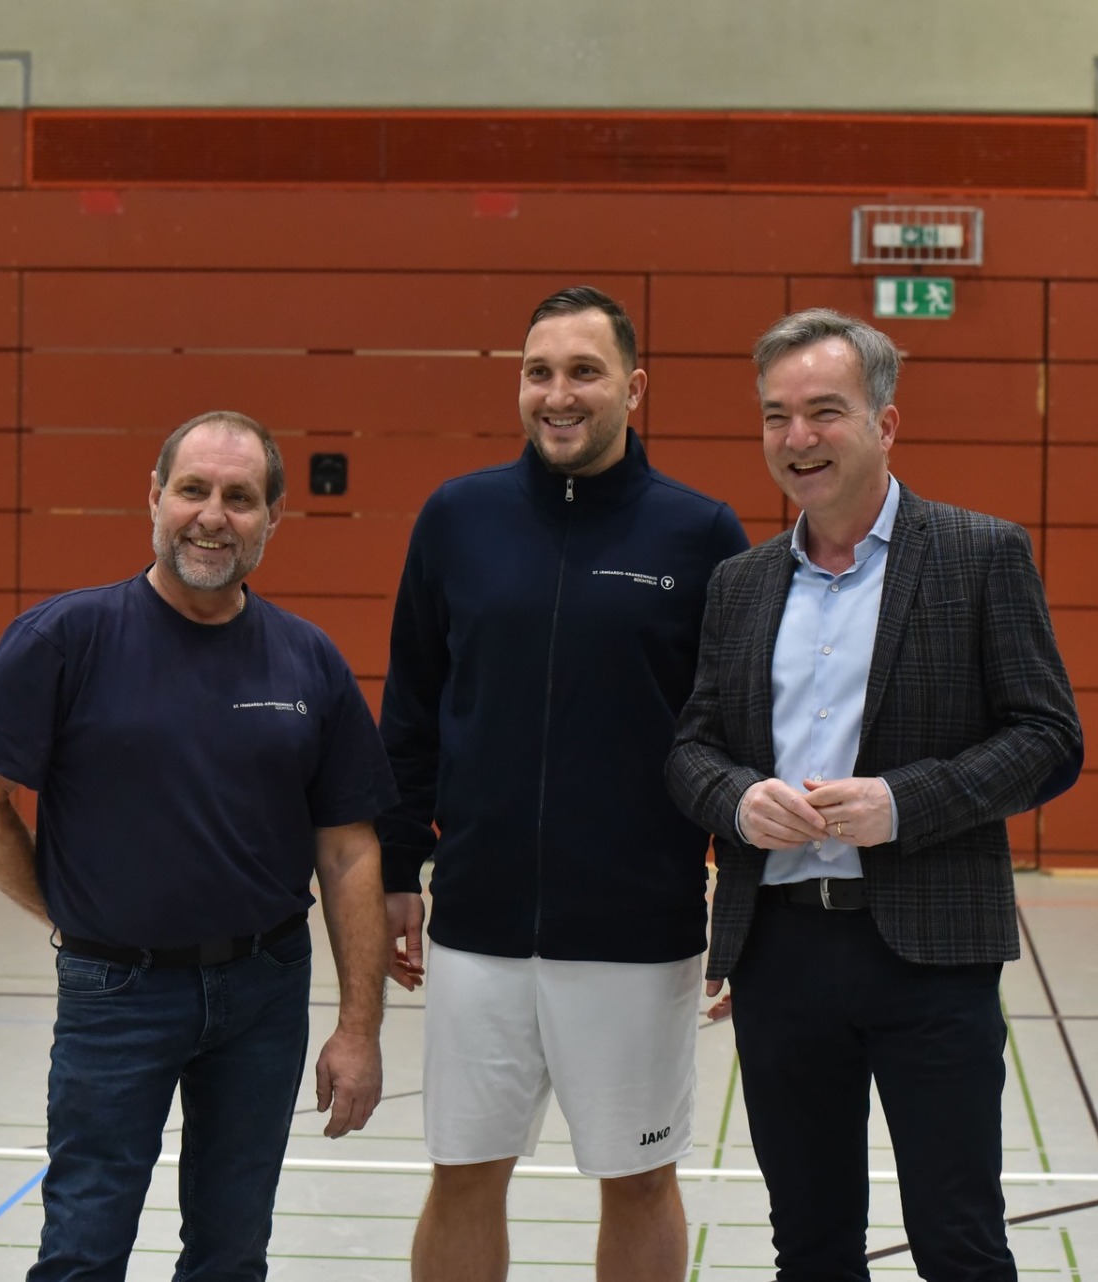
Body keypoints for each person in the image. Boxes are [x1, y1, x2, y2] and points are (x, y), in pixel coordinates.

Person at [664, 309, 1084, 1282]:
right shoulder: (741, 584)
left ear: (885, 424)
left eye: (824, 411)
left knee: (959, 1243)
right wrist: (739, 801)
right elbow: (692, 750)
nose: (797, 438)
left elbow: (1049, 739)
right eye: (776, 416)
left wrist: (904, 803)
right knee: (810, 1248)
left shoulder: (981, 555)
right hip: (779, 953)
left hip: (931, 957)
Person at [0, 410, 396, 1282]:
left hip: (264, 994)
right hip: (117, 994)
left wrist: (358, 1029)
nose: (212, 516)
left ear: (273, 516)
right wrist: (61, 909)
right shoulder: (65, 639)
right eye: (192, 490)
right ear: (153, 498)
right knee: (84, 1249)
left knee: (232, 1253)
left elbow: (348, 852)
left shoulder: (309, 660)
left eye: (240, 497)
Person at [378, 286, 750, 1281]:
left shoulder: (701, 535)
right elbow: (411, 705)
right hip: (478, 927)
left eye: (584, 371)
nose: (558, 394)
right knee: (463, 1172)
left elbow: (737, 737)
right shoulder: (457, 518)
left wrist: (743, 909)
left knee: (640, 1179)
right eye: (538, 372)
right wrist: (397, 869)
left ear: (635, 387)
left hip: (639, 932)